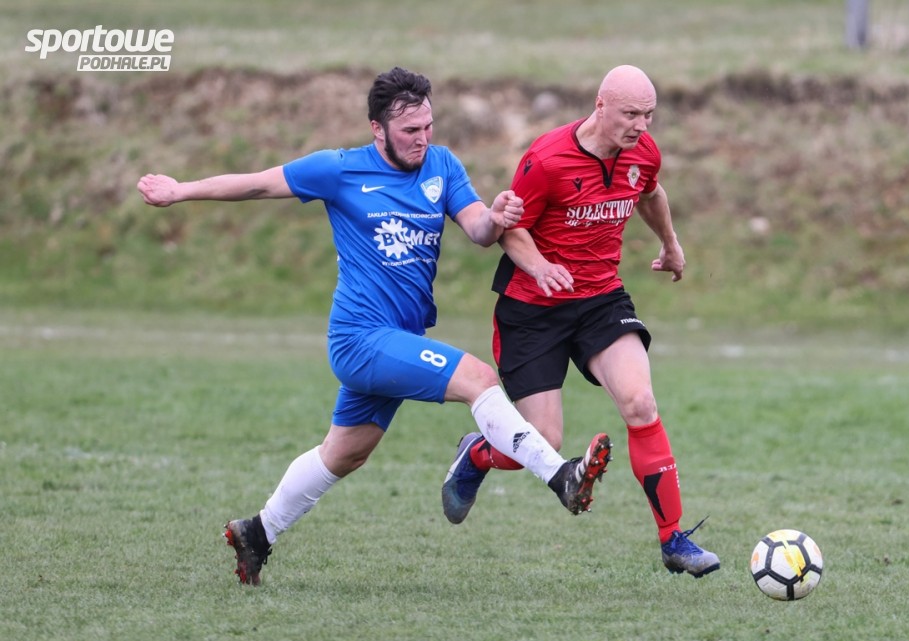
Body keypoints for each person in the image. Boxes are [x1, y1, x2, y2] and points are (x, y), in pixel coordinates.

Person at [137, 67, 613, 586]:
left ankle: (257, 532)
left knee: (344, 454)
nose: (422, 138)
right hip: (360, 338)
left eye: (428, 126)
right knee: (477, 378)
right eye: (410, 131)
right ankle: (562, 476)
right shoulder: (339, 170)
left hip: (400, 340)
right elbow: (256, 183)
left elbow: (478, 228)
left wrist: (497, 217)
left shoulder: (442, 165)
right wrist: (180, 191)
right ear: (377, 129)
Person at [440, 65, 720, 578]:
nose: (641, 126)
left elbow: (651, 194)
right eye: (631, 114)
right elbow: (511, 228)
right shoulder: (546, 159)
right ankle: (478, 454)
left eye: (649, 115)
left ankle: (673, 539)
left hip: (600, 300)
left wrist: (671, 244)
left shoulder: (644, 153)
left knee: (641, 403)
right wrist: (539, 267)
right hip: (533, 309)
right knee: (542, 441)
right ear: (600, 105)